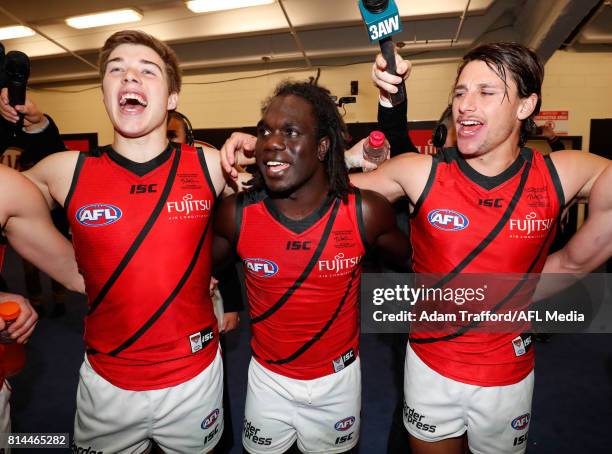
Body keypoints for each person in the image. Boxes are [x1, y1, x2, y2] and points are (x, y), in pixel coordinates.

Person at [220, 42, 611, 454]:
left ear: (525, 106)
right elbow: (314, 198)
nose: (465, 104)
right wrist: (274, 150)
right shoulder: (419, 171)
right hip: (430, 364)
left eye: (486, 91)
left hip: (509, 370)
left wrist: (523, 288)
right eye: (459, 92)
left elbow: (573, 259)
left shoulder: (559, 173)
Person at [13, 30, 229, 453]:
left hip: (196, 377)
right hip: (107, 380)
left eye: (147, 71)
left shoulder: (209, 163)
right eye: (117, 71)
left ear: (171, 99)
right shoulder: (63, 170)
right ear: (105, 92)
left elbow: (299, 192)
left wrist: (349, 158)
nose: (130, 77)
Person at [214, 81, 410, 454]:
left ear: (322, 147)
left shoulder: (364, 213)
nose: (271, 142)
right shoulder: (236, 215)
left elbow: (418, 263)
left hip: (337, 381)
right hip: (267, 380)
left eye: (289, 131)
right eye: (265, 131)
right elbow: (185, 266)